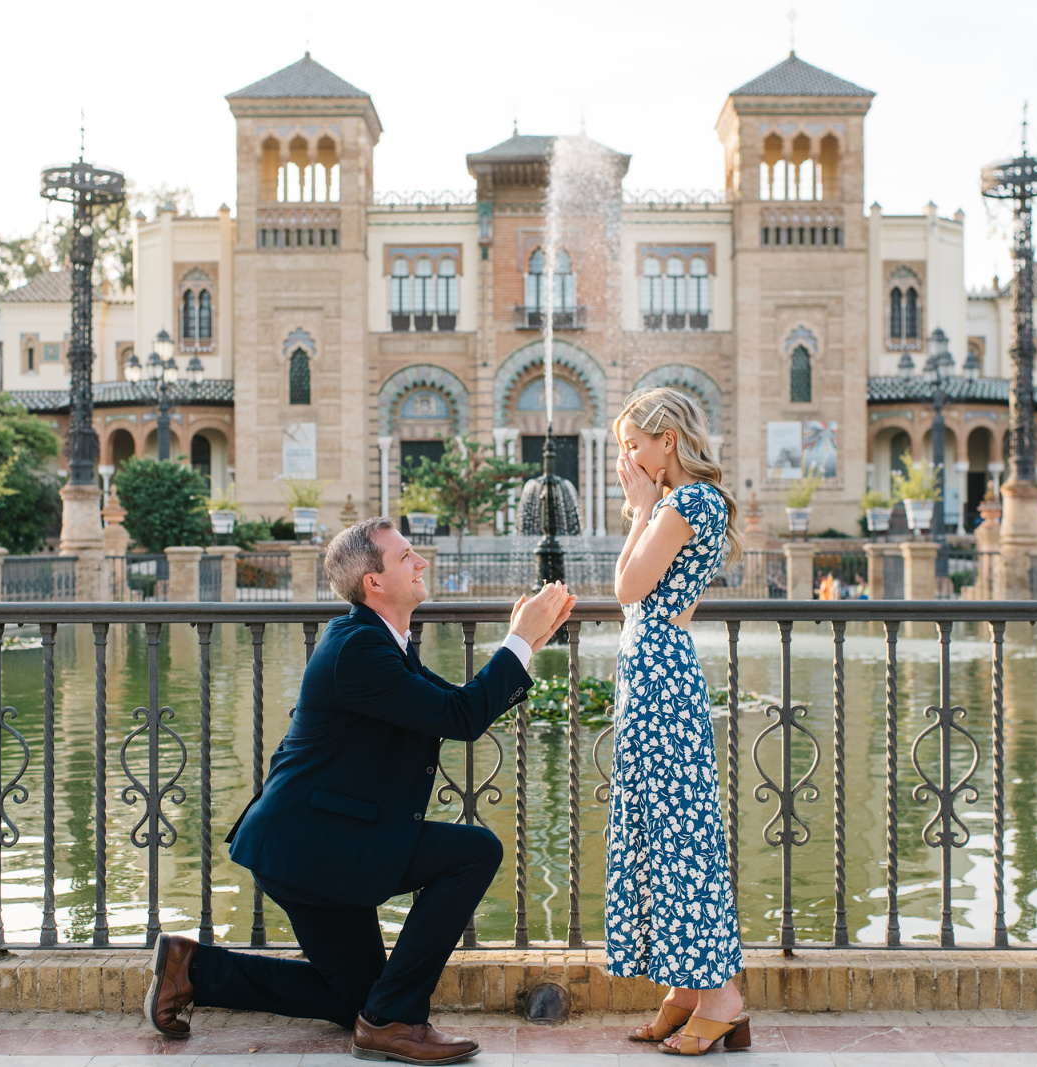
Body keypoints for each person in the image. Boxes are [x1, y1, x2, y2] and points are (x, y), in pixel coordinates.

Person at [143, 517, 575, 1066]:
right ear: (374, 583)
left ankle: (193, 970)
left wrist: (528, 639)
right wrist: (518, 640)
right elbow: (461, 717)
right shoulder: (360, 650)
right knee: (474, 853)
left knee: (355, 996)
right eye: (406, 558)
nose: (420, 563)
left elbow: (459, 705)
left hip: (322, 840)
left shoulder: (379, 642)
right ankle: (394, 1023)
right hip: (311, 845)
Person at [607, 387, 750, 1057]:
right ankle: (689, 990)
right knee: (668, 830)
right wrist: (644, 510)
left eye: (635, 442)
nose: (628, 456)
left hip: (661, 678)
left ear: (670, 439)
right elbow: (650, 594)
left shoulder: (684, 502)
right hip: (659, 671)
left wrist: (640, 509)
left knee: (679, 834)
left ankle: (720, 996)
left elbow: (627, 588)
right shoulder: (683, 505)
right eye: (623, 445)